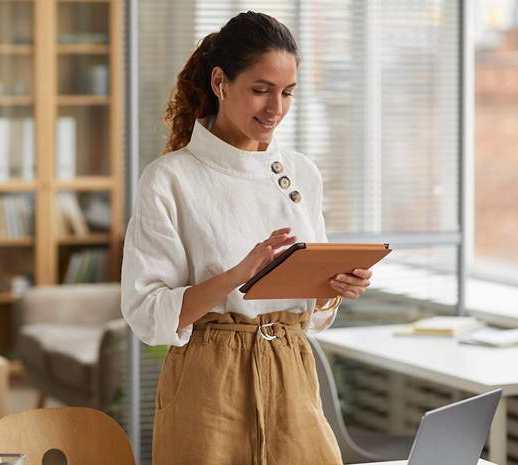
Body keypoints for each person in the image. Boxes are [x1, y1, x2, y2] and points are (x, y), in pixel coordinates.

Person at [120, 11, 373, 465]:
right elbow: (147, 313)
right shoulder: (169, 179)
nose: (275, 108)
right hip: (208, 380)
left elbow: (312, 312)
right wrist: (239, 274)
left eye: (287, 93)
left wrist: (333, 290)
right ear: (220, 82)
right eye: (260, 90)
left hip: (293, 370)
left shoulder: (301, 173)